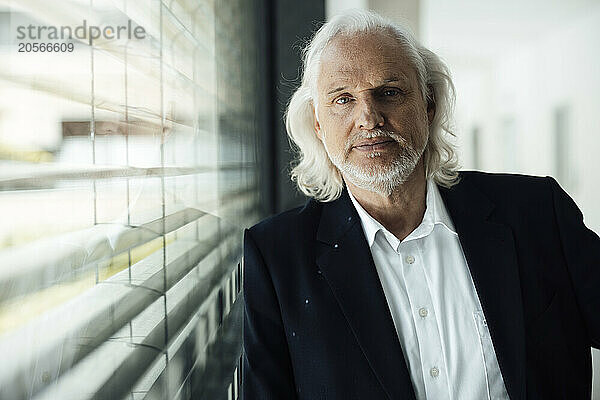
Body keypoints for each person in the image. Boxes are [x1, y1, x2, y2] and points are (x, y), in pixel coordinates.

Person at [242, 9, 600, 400]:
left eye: (389, 92)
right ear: (317, 124)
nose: (368, 118)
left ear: (428, 106)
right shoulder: (277, 257)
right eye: (343, 99)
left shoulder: (536, 213)